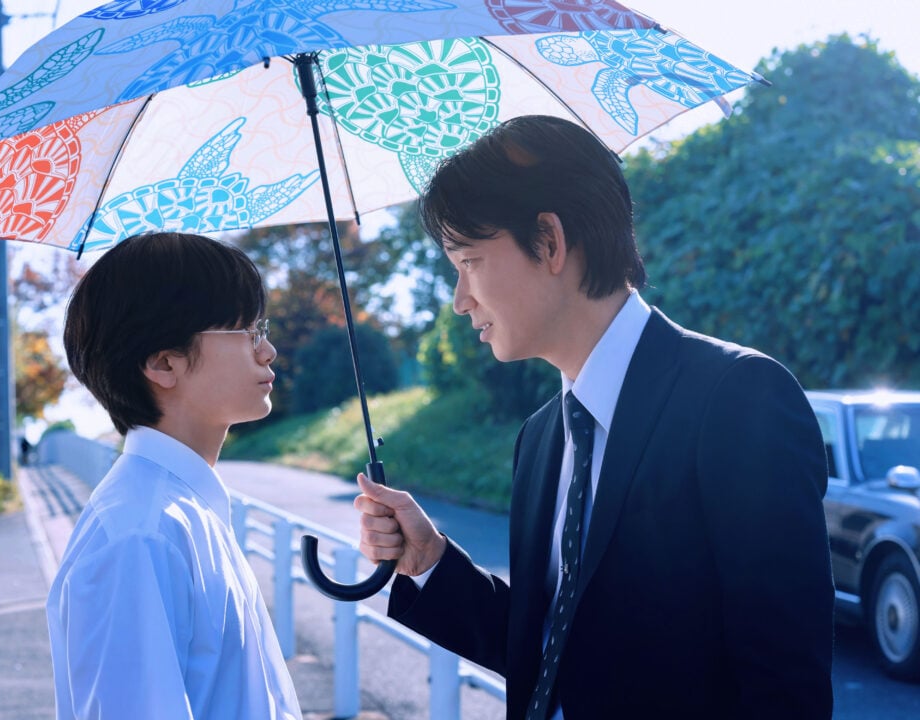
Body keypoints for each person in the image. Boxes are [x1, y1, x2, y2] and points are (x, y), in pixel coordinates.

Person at [355, 116, 834, 719]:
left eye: (469, 260)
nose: (459, 298)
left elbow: (785, 687)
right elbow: (556, 651)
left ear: (549, 241)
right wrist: (430, 563)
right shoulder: (540, 437)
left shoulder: (738, 398)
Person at [45, 232, 300, 719]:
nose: (267, 351)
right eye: (247, 332)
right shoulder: (140, 535)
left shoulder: (177, 511)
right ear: (164, 363)